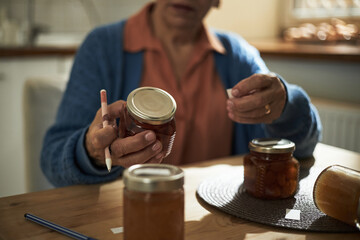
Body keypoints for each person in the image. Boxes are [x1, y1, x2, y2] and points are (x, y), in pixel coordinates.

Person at [41, 0, 321, 187]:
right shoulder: (102, 47)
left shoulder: (238, 57)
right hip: (128, 217)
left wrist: (286, 100)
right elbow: (52, 158)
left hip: (217, 219)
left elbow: (302, 147)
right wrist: (91, 153)